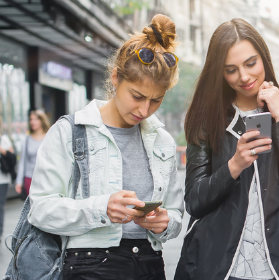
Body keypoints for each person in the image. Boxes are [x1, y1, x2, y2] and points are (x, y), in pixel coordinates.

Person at [27, 14, 183, 279]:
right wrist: (101, 209)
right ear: (115, 78)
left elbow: (176, 212)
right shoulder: (70, 131)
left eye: (156, 100)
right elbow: (40, 210)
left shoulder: (162, 140)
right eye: (137, 96)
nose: (145, 109)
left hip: (149, 264)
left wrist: (165, 223)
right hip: (89, 264)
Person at [175, 18, 279, 280]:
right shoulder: (207, 117)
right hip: (218, 266)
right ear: (219, 71)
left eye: (251, 63)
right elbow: (195, 201)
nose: (244, 76)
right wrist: (234, 165)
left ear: (264, 57)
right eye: (231, 70)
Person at [15, 109, 50, 198]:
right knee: (32, 207)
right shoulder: (26, 139)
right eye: (31, 119)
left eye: (35, 119)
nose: (32, 122)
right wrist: (19, 181)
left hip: (46, 177)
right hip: (30, 178)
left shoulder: (49, 137)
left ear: (42, 120)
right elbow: (23, 161)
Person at [0, 116, 15, 236]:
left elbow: (12, 158)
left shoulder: (3, 139)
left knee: (0, 205)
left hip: (2, 180)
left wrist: (2, 150)